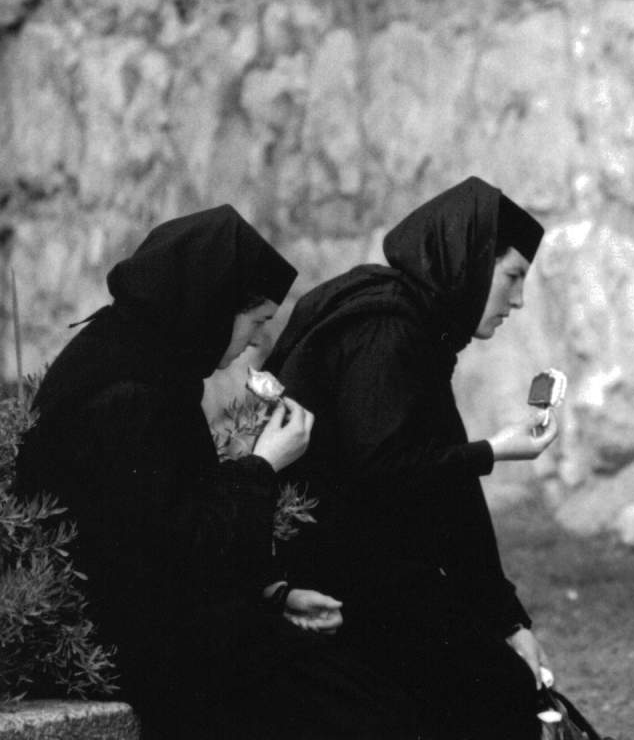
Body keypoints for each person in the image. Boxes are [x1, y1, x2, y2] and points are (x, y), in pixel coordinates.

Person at [14, 205, 421, 740]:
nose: (256, 342)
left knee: (360, 685)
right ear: (212, 305)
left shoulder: (137, 357)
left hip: (160, 623)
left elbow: (168, 529)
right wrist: (264, 463)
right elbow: (177, 548)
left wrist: (274, 594)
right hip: (137, 644)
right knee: (352, 708)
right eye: (255, 321)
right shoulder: (129, 391)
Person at [265, 176, 559, 740]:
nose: (517, 301)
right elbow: (389, 468)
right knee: (498, 696)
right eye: (513, 276)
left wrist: (507, 618)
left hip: (367, 572)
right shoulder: (387, 327)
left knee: (499, 683)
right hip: (339, 588)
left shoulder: (412, 321)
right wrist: (493, 450)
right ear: (471, 261)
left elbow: (446, 494)